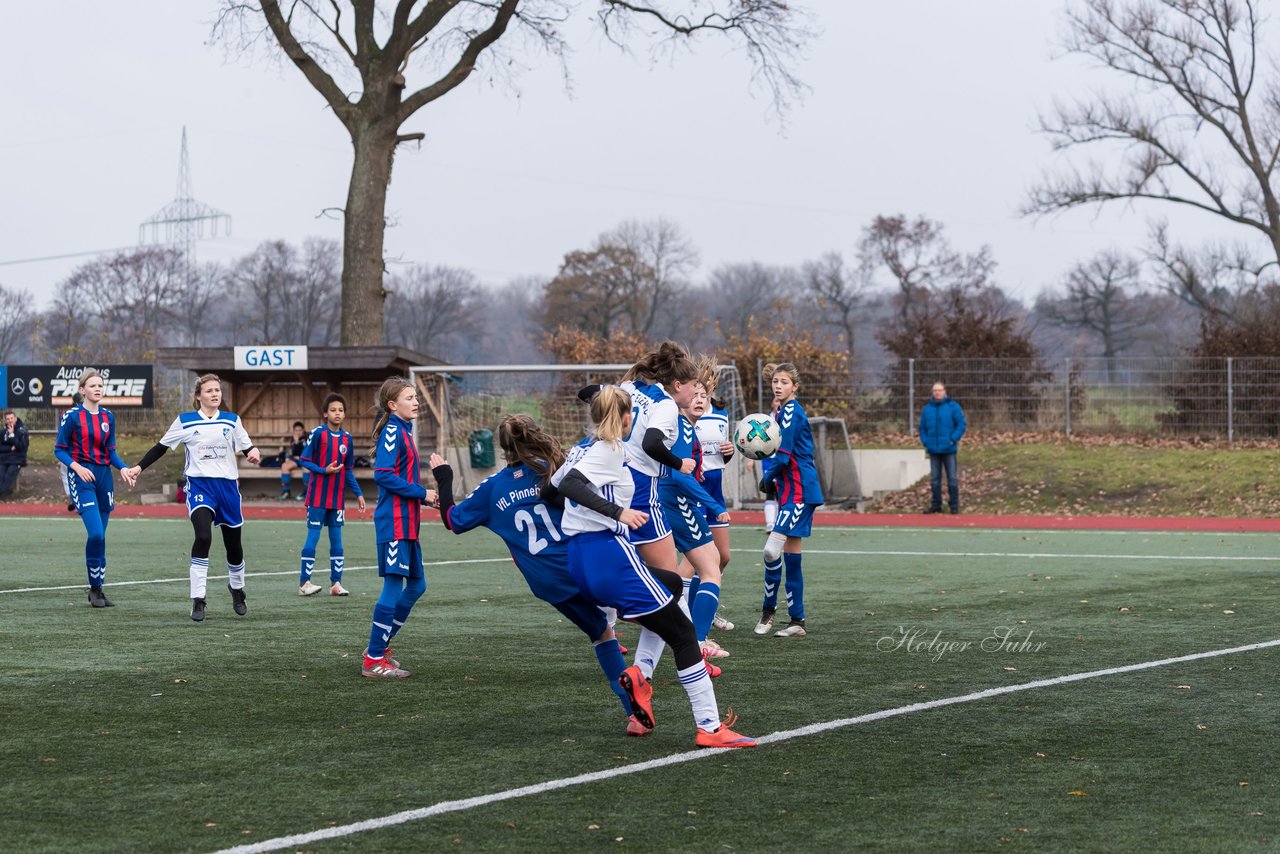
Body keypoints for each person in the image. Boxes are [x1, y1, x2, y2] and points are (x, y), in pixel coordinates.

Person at [545, 385, 754, 748]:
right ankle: (709, 727)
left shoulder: (581, 448)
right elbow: (574, 485)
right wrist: (617, 513)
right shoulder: (609, 450)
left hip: (581, 561)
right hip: (609, 556)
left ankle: (641, 676)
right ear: (627, 418)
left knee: (671, 585)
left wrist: (585, 519)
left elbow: (550, 491)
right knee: (685, 634)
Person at [427, 415, 639, 733]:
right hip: (584, 563)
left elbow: (453, 521)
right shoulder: (553, 467)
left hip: (549, 582)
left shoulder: (492, 488)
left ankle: (633, 714)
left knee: (602, 634)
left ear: (503, 448)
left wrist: (444, 476)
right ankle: (683, 653)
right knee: (654, 606)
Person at [123, 373, 262, 621]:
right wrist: (138, 467)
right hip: (200, 488)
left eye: (217, 390)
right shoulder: (185, 421)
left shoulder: (231, 421)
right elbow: (161, 447)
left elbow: (247, 447)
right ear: (199, 396)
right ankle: (198, 599)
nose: (215, 394)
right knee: (203, 536)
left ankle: (237, 589)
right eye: (209, 391)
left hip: (228, 489)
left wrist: (253, 453)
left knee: (234, 547)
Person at [361, 376, 436, 678]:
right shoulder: (393, 430)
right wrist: (422, 493)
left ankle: (379, 646)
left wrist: (426, 498)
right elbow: (382, 474)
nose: (415, 401)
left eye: (416, 396)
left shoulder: (404, 431)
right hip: (394, 523)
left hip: (407, 524)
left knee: (418, 585)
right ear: (392, 405)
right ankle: (373, 658)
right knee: (393, 586)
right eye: (409, 397)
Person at [659, 379, 731, 667]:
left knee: (711, 560)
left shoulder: (685, 428)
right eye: (695, 395)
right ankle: (698, 641)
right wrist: (713, 504)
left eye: (705, 396)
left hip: (677, 500)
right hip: (677, 502)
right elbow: (678, 476)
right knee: (710, 569)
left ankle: (687, 632)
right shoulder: (681, 428)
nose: (700, 399)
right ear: (680, 396)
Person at [754, 362, 824, 638]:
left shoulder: (792, 411)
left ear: (795, 387)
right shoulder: (783, 411)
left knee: (771, 551)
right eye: (775, 381)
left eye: (784, 382)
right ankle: (797, 621)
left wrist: (767, 476)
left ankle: (768, 612)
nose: (778, 385)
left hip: (800, 491)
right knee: (792, 557)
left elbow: (783, 455)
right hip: (790, 490)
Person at [54, 371, 135, 608]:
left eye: (101, 385)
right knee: (96, 534)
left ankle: (97, 589)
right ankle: (95, 587)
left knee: (102, 537)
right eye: (93, 385)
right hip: (82, 478)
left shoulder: (109, 416)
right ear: (82, 390)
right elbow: (59, 449)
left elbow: (110, 452)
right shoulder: (72, 416)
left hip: (104, 479)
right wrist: (77, 468)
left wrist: (122, 468)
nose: (98, 389)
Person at [297, 394, 366, 597]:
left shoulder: (347, 439)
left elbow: (349, 469)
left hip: (336, 499)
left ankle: (336, 584)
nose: (338, 413)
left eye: (341, 410)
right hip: (318, 496)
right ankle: (304, 583)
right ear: (326, 413)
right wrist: (323, 470)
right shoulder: (318, 433)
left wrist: (359, 494)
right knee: (313, 538)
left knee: (337, 541)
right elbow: (304, 460)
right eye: (334, 410)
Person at [693, 378, 736, 633]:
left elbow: (719, 456)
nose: (702, 392)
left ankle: (704, 607)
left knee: (723, 557)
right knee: (695, 562)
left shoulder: (721, 414)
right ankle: (687, 616)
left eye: (707, 385)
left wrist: (729, 452)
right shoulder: (683, 412)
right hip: (694, 490)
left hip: (715, 492)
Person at [918, 381, 967, 514]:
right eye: (935, 390)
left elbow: (961, 424)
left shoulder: (953, 407)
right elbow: (922, 428)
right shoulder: (927, 409)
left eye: (939, 390)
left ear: (944, 391)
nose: (937, 392)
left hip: (949, 449)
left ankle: (954, 505)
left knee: (952, 478)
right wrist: (925, 441)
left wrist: (953, 439)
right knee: (934, 479)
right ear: (932, 392)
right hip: (933, 450)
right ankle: (936, 505)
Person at [58, 393, 83, 511]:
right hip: (75, 450)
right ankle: (76, 499)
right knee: (69, 473)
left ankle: (75, 499)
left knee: (68, 474)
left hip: (71, 451)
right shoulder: (88, 412)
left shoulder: (67, 413)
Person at [0, 409, 29, 498]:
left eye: (11, 418)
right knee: (1, 474)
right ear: (5, 420)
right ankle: (2, 491)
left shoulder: (22, 431)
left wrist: (12, 435)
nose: (10, 420)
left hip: (17, 459)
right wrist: (10, 448)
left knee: (9, 474)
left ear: (15, 418)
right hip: (4, 458)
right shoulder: (3, 431)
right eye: (8, 419)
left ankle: (2, 492)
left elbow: (22, 447)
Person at [278, 421, 308, 500]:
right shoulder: (293, 439)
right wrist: (296, 442)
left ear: (303, 430)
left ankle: (306, 493)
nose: (298, 432)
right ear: (293, 431)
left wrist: (298, 442)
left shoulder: (307, 438)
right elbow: (295, 452)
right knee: (284, 466)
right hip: (296, 460)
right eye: (296, 430)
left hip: (305, 459)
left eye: (300, 430)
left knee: (307, 468)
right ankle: (286, 492)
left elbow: (306, 451)